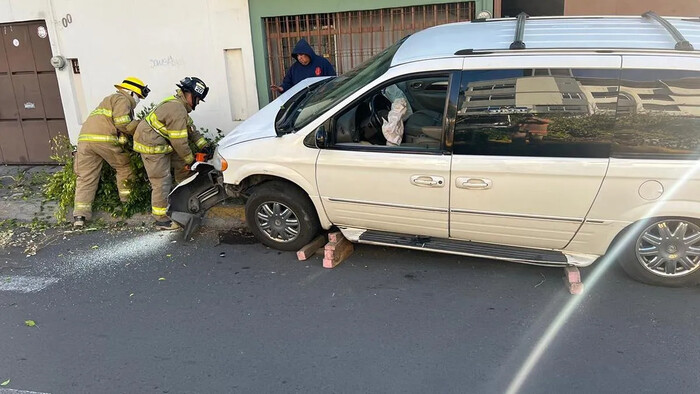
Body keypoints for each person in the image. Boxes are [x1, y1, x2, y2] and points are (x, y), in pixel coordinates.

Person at [133, 77, 213, 230]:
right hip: (150, 145)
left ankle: (182, 200)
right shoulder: (177, 109)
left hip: (161, 142)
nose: (196, 103)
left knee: (182, 167)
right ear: (188, 94)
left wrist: (205, 146)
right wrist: (191, 161)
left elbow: (191, 131)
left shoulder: (179, 106)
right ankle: (161, 219)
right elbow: (179, 143)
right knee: (161, 180)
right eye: (196, 99)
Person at [73, 77, 150, 228]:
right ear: (131, 92)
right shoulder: (122, 99)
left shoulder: (109, 99)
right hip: (104, 140)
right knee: (124, 167)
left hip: (85, 141)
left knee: (86, 177)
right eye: (139, 96)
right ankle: (127, 203)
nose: (139, 100)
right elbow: (123, 123)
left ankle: (80, 216)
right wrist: (141, 126)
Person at [270, 38, 336, 94]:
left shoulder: (322, 63)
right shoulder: (294, 68)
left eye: (301, 55)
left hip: (321, 98)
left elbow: (332, 79)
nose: (299, 58)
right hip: (302, 102)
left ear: (308, 53)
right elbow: (288, 83)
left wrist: (325, 89)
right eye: (297, 55)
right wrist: (281, 88)